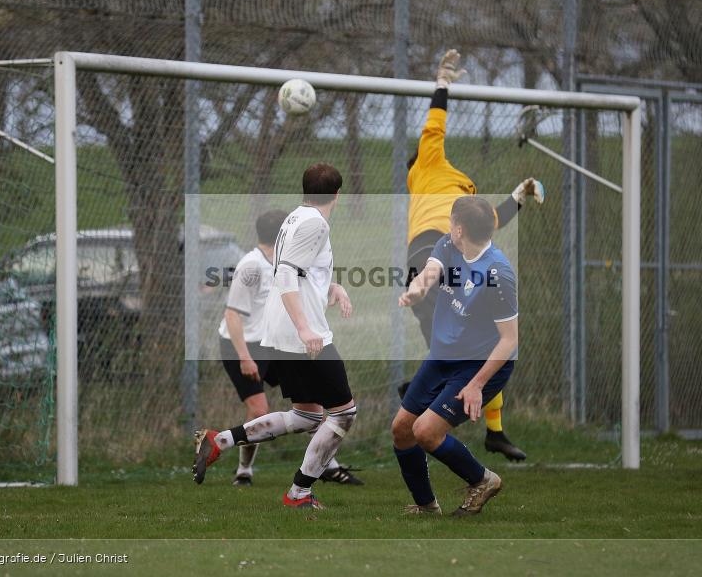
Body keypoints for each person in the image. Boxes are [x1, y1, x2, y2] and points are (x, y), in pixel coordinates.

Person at [402, 48, 544, 462]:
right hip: (433, 246)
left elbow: (489, 223)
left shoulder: (463, 191)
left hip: (467, 253)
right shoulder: (428, 166)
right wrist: (442, 83)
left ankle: (493, 430)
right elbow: (434, 128)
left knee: (481, 337)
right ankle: (427, 391)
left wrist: (519, 196)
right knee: (449, 336)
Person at [194, 163, 357, 510]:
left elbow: (303, 275)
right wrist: (304, 328)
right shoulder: (316, 223)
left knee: (308, 415)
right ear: (337, 195)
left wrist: (334, 288)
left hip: (281, 331)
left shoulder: (295, 217)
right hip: (302, 334)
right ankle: (299, 492)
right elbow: (285, 274)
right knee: (343, 413)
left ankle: (221, 440)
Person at [216, 209, 363, 487]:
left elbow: (305, 284)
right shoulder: (250, 265)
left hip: (273, 343)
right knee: (260, 409)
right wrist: (245, 358)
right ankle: (243, 471)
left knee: (311, 406)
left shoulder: (287, 259)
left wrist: (335, 287)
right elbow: (232, 315)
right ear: (283, 232)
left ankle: (327, 466)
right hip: (243, 346)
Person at [393, 196, 518, 516]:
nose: (448, 228)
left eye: (451, 223)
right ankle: (427, 506)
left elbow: (509, 341)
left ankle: (483, 480)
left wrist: (477, 385)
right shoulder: (449, 245)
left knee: (426, 431)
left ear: (460, 229)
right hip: (442, 356)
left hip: (477, 366)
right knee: (403, 429)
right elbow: (431, 271)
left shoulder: (498, 274)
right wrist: (418, 288)